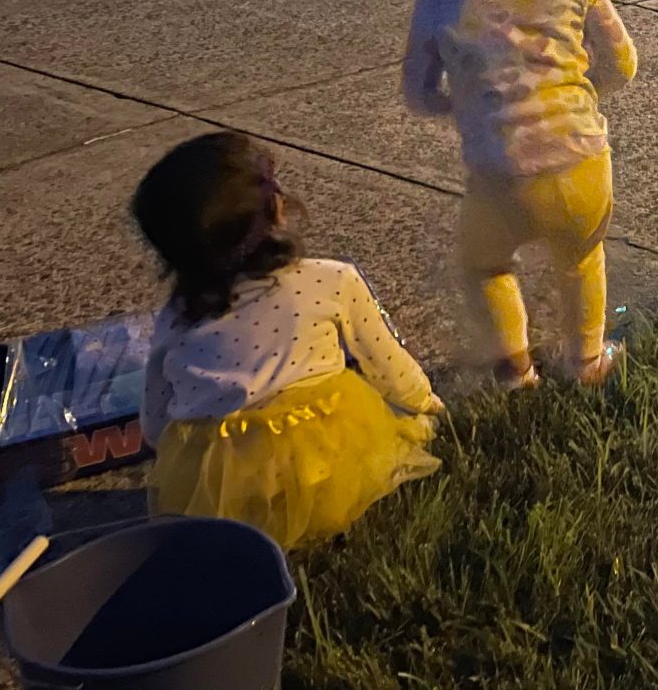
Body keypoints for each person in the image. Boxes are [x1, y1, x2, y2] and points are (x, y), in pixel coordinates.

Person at [402, 0, 637, 390]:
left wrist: (467, 104)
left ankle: (515, 373)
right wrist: (583, 94)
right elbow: (623, 64)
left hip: (499, 174)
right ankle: (587, 363)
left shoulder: (438, 3)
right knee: (581, 261)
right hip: (583, 164)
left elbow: (419, 94)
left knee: (485, 267)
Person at [132, 132, 442, 551]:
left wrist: (179, 456)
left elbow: (155, 423)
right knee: (387, 421)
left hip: (231, 487)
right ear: (276, 210)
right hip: (327, 459)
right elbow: (386, 362)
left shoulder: (177, 319)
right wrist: (426, 404)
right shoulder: (332, 279)